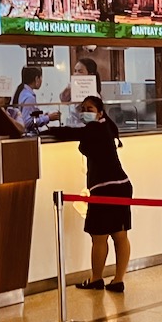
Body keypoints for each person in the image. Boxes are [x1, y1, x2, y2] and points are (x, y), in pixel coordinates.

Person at [48, 95, 132, 293]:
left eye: (90, 108)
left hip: (104, 188)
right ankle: (118, 280)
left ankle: (96, 278)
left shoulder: (95, 128)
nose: (85, 111)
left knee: (99, 237)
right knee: (120, 235)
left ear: (100, 112)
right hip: (121, 186)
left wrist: (48, 127)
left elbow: (69, 133)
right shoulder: (107, 127)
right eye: (83, 108)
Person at [6, 65, 57, 135]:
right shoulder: (29, 97)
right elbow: (27, 122)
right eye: (41, 77)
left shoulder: (21, 91)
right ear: (37, 79)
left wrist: (43, 115)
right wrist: (48, 118)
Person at [60, 57, 102, 128]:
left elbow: (90, 118)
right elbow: (63, 100)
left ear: (90, 74)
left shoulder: (95, 96)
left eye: (80, 71)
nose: (76, 74)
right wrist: (69, 87)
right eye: (75, 71)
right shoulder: (73, 90)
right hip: (72, 128)